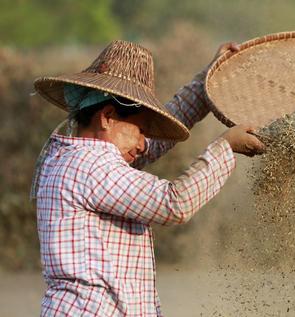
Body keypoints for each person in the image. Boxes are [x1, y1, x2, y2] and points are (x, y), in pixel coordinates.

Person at [31, 40, 265, 316]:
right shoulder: (90, 165)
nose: (143, 144)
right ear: (107, 117)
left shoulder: (72, 156)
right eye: (140, 130)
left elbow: (152, 144)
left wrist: (206, 82)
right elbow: (174, 203)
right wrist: (224, 148)